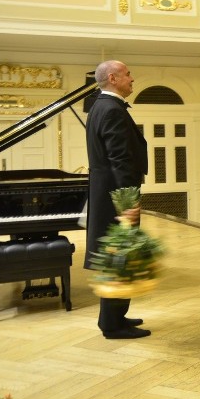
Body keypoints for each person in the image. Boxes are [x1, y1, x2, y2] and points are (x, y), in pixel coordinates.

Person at [85, 60, 150, 339]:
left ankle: (116, 316)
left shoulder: (100, 107)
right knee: (118, 258)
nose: (132, 79)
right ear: (112, 78)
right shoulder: (111, 110)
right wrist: (128, 203)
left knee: (119, 257)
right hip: (116, 198)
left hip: (106, 194)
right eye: (128, 74)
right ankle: (111, 325)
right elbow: (120, 160)